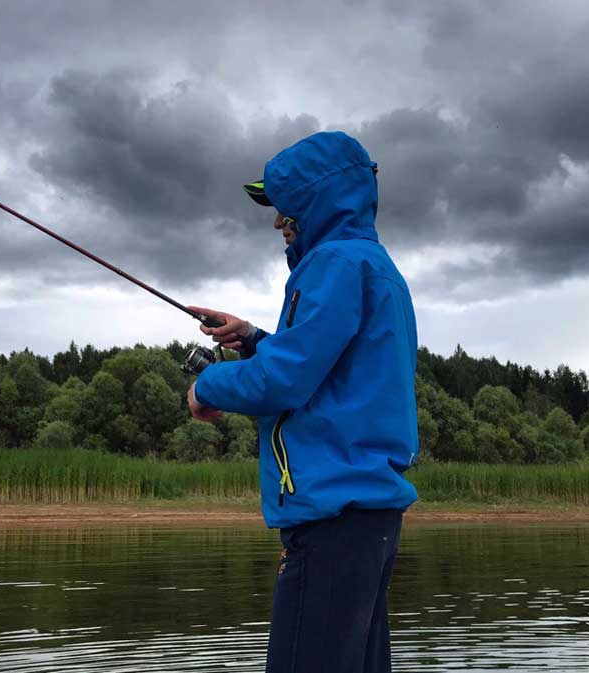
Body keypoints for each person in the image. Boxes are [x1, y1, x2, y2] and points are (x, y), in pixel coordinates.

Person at [186, 131, 418, 673]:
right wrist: (255, 339)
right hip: (367, 518)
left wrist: (206, 388)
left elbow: (285, 382)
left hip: (333, 518)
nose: (276, 222)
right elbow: (333, 371)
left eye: (282, 207)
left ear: (314, 202)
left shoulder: (332, 264)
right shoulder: (372, 265)